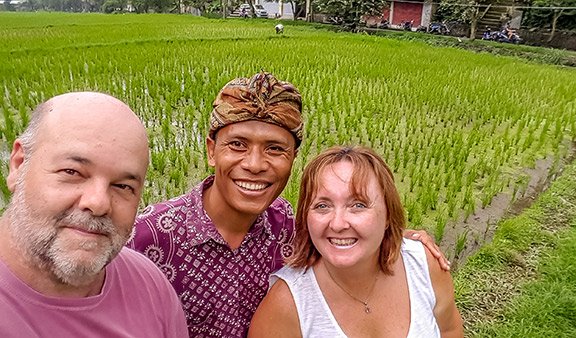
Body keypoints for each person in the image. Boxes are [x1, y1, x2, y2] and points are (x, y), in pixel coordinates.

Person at [128, 72, 450, 337]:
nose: (254, 164)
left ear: (292, 158)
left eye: (274, 149)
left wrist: (394, 235)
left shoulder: (287, 225)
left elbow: (340, 233)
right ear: (212, 151)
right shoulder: (147, 237)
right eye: (237, 145)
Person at [0, 92, 189, 337]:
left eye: (123, 186)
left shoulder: (150, 284)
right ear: (18, 164)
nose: (98, 203)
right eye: (72, 171)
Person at [249, 146, 464, 337]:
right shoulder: (287, 305)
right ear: (306, 217)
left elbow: (449, 329)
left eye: (358, 205)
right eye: (323, 206)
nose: (338, 224)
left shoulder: (423, 264)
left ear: (388, 214)